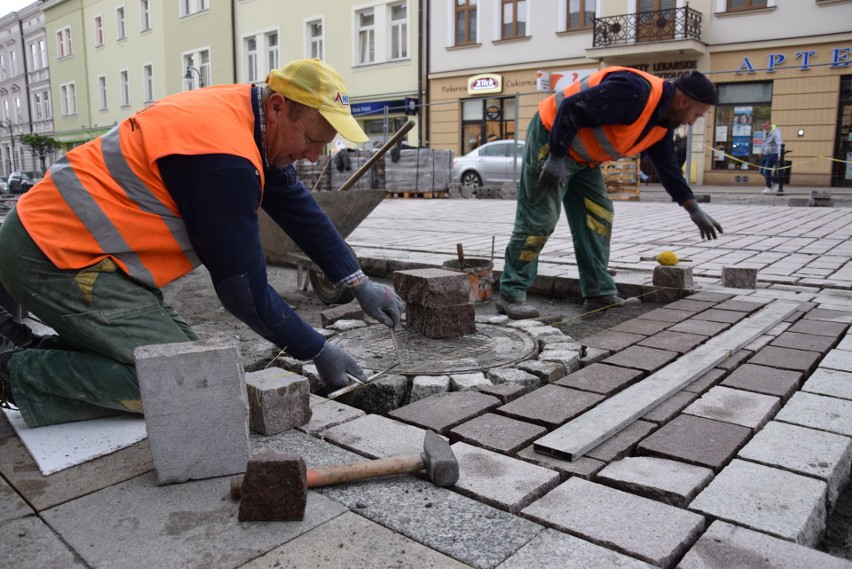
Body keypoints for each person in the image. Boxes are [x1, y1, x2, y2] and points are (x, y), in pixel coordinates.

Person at [0, 58, 403, 426]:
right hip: (54, 255)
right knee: (185, 382)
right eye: (313, 140)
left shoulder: (245, 113)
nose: (315, 156)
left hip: (66, 245)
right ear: (278, 107)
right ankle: (14, 373)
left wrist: (357, 282)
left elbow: (296, 204)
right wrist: (315, 348)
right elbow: (244, 293)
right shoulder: (223, 158)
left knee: (191, 362)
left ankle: (29, 349)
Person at [496, 68, 723, 320]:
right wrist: (557, 157)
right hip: (552, 140)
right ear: (683, 101)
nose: (692, 122)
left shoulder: (660, 124)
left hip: (584, 159)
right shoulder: (634, 92)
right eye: (696, 114)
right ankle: (511, 294)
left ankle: (598, 293)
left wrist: (692, 207)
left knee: (598, 216)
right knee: (540, 219)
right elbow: (571, 107)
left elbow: (668, 168)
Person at [759, 120, 783, 194]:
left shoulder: (776, 132)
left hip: (773, 153)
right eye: (763, 126)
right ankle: (774, 183)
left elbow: (779, 143)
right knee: (761, 170)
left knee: (767, 171)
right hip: (767, 153)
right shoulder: (765, 131)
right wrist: (761, 151)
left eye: (765, 126)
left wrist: (779, 155)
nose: (764, 128)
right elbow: (764, 142)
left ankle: (768, 187)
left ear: (770, 125)